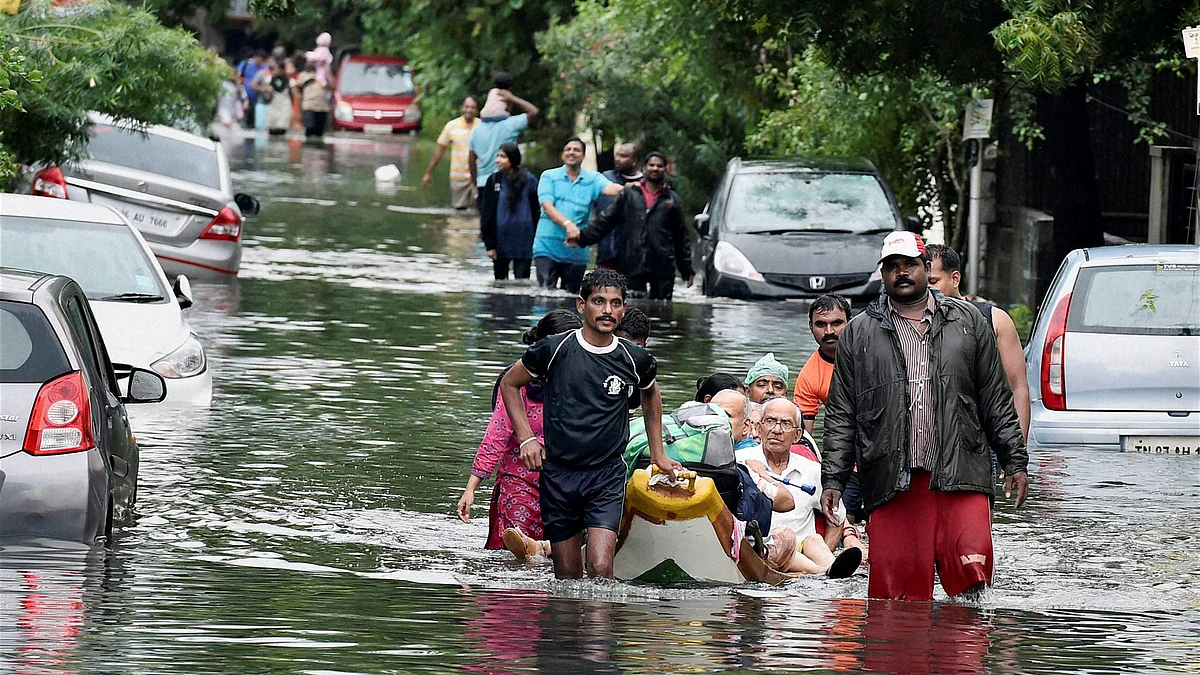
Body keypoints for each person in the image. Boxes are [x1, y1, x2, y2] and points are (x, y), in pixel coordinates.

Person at [821, 231, 1030, 601]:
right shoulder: (858, 333)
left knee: (972, 583)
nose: (902, 272)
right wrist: (833, 478)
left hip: (961, 470)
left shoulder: (968, 321)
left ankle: (963, 657)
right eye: (892, 267)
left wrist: (1015, 460)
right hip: (891, 479)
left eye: (910, 265)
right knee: (896, 597)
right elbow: (842, 412)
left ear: (925, 267)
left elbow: (995, 396)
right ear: (882, 274)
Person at [497, 269, 682, 579]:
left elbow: (651, 394)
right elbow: (510, 383)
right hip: (559, 474)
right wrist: (527, 438)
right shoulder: (554, 349)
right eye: (599, 301)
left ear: (623, 309)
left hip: (606, 475)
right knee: (567, 576)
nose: (607, 310)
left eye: (615, 303)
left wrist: (659, 454)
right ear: (581, 305)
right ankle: (568, 627)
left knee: (599, 568)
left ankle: (599, 626)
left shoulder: (636, 359)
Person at [461, 310, 582, 559]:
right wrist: (471, 488)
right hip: (518, 484)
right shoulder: (517, 383)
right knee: (514, 557)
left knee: (553, 559)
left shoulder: (583, 383)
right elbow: (497, 434)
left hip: (562, 488)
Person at [737, 399, 863, 578]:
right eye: (770, 421)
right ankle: (823, 572)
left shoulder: (813, 470)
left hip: (805, 550)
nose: (777, 430)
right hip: (761, 550)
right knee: (782, 540)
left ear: (797, 435)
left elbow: (838, 517)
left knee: (814, 540)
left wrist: (830, 545)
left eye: (786, 423)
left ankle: (832, 570)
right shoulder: (740, 462)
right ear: (758, 427)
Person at [926, 244, 1031, 442]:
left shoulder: (994, 320)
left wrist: (1018, 452)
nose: (929, 290)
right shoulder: (912, 324)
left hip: (985, 441)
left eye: (933, 281)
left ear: (955, 278)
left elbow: (1017, 387)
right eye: (924, 283)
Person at [571, 152, 694, 300]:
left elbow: (681, 237)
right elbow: (605, 221)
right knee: (630, 309)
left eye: (659, 166)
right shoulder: (629, 194)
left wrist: (687, 270)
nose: (655, 168)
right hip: (632, 262)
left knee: (662, 310)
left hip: (663, 266)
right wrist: (581, 237)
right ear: (644, 168)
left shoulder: (672, 200)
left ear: (665, 169)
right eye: (651, 165)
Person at [533, 137, 624, 294]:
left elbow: (610, 188)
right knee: (545, 294)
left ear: (582, 155)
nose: (571, 153)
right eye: (568, 149)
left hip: (577, 248)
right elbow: (547, 206)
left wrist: (629, 188)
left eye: (576, 150)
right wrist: (568, 224)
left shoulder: (593, 179)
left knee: (572, 297)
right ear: (563, 154)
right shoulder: (549, 176)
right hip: (547, 245)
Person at [793, 293, 851, 436]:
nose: (829, 331)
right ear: (811, 327)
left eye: (836, 323)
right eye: (821, 324)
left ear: (850, 323)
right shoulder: (808, 376)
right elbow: (803, 436)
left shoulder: (872, 354)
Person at [480, 143, 539, 281]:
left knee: (522, 281)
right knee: (500, 281)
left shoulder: (529, 180)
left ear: (512, 159)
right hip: (500, 241)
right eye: (497, 156)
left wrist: (537, 240)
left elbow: (537, 210)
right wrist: (489, 244)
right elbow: (486, 213)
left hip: (524, 241)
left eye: (503, 157)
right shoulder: (494, 180)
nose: (498, 160)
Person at [468, 90, 539, 202]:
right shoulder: (510, 124)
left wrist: (474, 184)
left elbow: (471, 161)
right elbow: (534, 111)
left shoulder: (475, 130)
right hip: (506, 183)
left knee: (485, 218)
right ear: (506, 107)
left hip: (483, 184)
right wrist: (513, 98)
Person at [422, 97, 481, 210]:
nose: (469, 110)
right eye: (467, 106)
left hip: (478, 177)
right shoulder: (451, 126)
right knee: (459, 211)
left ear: (477, 110)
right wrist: (428, 172)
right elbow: (440, 150)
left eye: (473, 107)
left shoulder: (482, 126)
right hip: (458, 177)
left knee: (477, 212)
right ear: (462, 108)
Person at [593, 143, 642, 270]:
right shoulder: (605, 179)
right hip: (607, 251)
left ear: (634, 161)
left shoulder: (645, 184)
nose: (618, 159)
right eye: (617, 155)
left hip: (635, 255)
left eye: (623, 156)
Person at [294, 58, 330, 138]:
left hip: (322, 107)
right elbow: (297, 88)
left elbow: (332, 85)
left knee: (319, 133)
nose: (310, 64)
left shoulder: (323, 74)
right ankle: (307, 148)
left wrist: (327, 69)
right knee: (309, 128)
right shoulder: (303, 75)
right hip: (309, 106)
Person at [259, 58, 293, 135]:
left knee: (282, 126)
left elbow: (295, 94)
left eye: (277, 69)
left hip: (284, 105)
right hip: (273, 105)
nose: (275, 71)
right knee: (272, 126)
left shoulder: (289, 81)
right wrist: (267, 90)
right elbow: (264, 89)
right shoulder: (270, 79)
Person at [236, 51, 267, 128]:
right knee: (242, 116)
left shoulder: (264, 67)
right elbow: (239, 77)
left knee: (254, 120)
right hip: (244, 95)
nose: (259, 63)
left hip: (257, 97)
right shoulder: (246, 64)